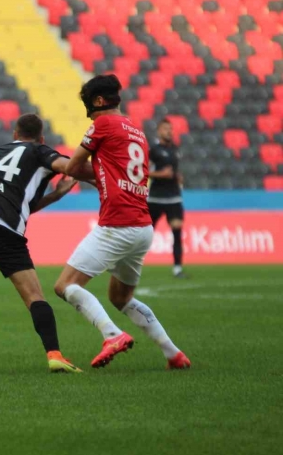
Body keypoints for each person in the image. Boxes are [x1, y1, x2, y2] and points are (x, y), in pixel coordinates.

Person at [54, 75, 190, 370]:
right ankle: (173, 353)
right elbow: (122, 174)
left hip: (117, 225)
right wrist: (104, 177)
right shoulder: (137, 131)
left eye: (88, 109)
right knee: (121, 297)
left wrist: (49, 162)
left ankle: (112, 334)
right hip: (142, 227)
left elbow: (74, 166)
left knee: (65, 285)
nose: (88, 116)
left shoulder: (102, 125)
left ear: (99, 102)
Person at [0, 113, 89, 374]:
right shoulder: (40, 151)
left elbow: (23, 203)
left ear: (14, 134)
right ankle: (54, 355)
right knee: (34, 296)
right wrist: (100, 173)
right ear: (41, 138)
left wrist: (54, 196)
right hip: (3, 226)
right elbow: (69, 166)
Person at [148, 118, 186, 278]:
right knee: (145, 235)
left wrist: (177, 176)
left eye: (170, 129)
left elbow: (174, 170)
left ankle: (177, 268)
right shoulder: (154, 150)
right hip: (155, 198)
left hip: (174, 197)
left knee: (177, 231)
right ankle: (127, 263)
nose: (169, 132)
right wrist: (160, 174)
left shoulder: (175, 149)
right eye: (165, 129)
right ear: (159, 131)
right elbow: (142, 171)